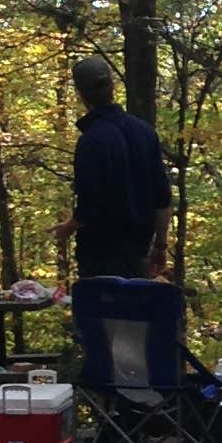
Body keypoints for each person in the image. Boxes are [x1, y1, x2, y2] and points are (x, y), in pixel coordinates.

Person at [56, 54, 173, 282]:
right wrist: (159, 245)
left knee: (104, 317)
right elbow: (163, 198)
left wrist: (68, 227)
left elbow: (90, 203)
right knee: (136, 316)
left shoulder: (91, 141)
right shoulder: (145, 132)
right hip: (140, 255)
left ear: (81, 95)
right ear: (113, 86)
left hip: (100, 259)